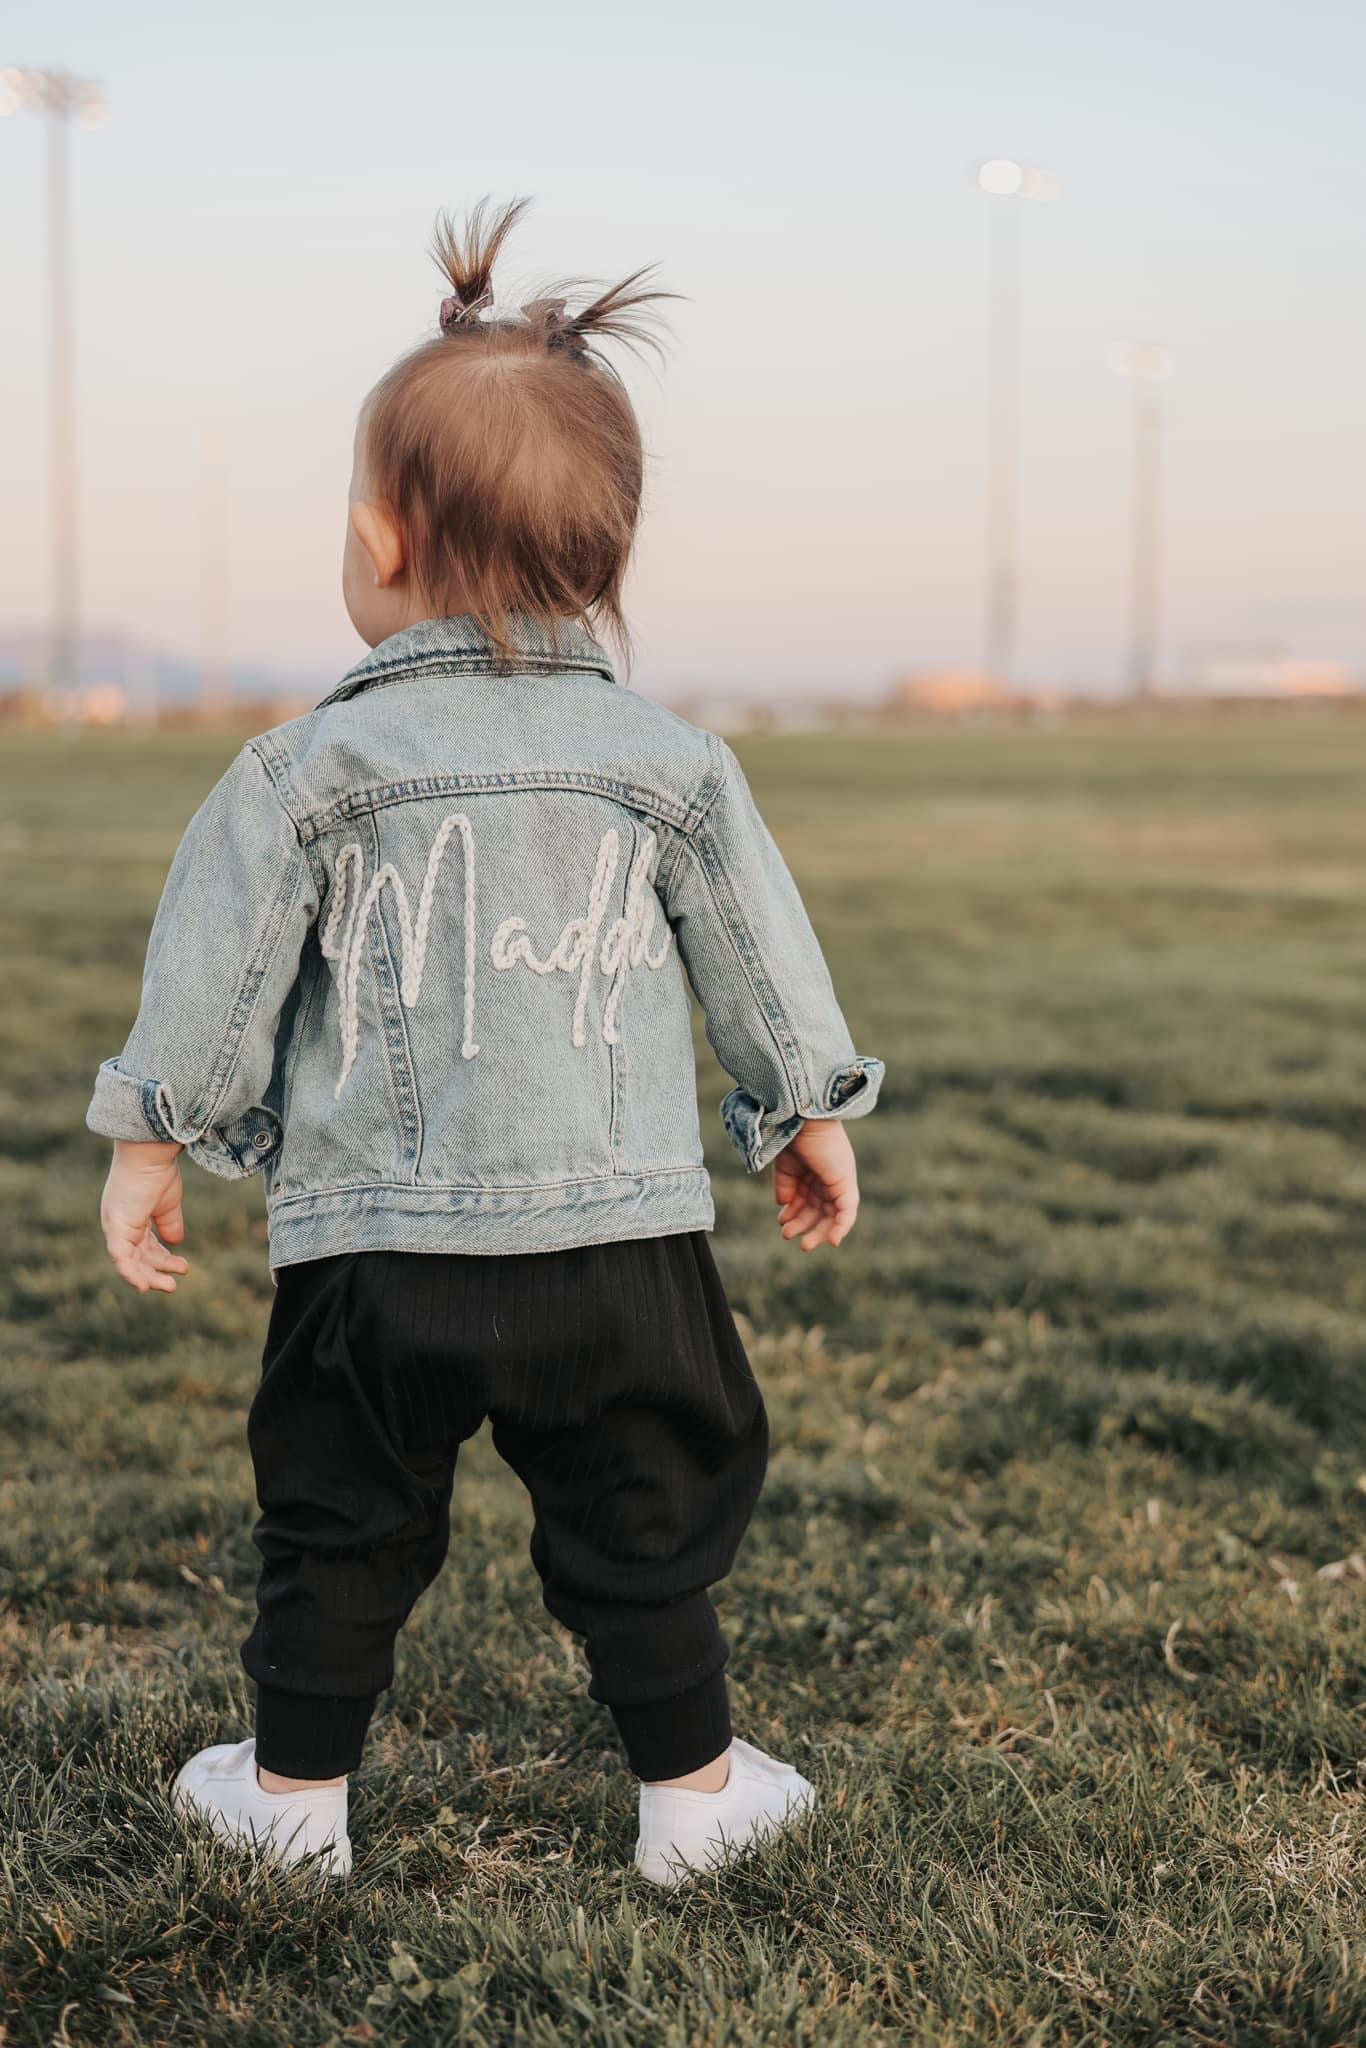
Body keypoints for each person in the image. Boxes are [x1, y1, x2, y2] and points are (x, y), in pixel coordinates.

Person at [86, 198, 883, 1887]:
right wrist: (801, 1106)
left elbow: (215, 983)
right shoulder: (669, 765)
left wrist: (154, 1136)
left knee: (341, 1521)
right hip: (620, 1249)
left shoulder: (300, 771)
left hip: (376, 1254)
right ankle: (694, 1803)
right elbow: (755, 951)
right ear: (607, 563)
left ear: (379, 534)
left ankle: (293, 1808)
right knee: (641, 1519)